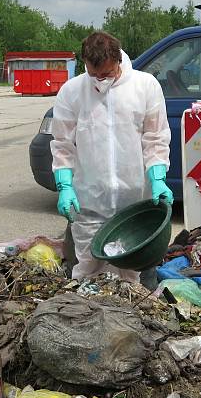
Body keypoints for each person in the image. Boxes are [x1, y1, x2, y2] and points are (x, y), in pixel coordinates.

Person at [51, 31, 172, 283]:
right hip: (90, 203)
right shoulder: (72, 92)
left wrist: (158, 177)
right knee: (87, 272)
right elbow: (62, 144)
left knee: (134, 279)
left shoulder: (144, 86)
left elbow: (156, 138)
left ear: (118, 60)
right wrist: (64, 186)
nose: (100, 80)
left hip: (135, 204)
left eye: (106, 74)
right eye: (93, 74)